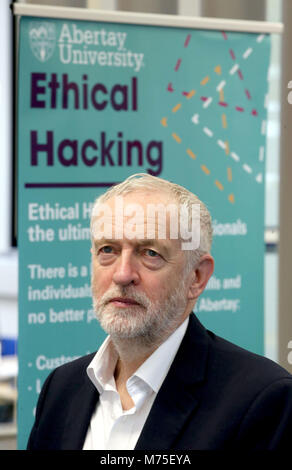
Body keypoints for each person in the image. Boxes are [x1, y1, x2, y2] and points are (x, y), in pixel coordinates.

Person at [27, 173, 292, 450]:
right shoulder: (61, 389)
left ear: (197, 277)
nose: (122, 274)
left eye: (150, 253)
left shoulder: (262, 401)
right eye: (108, 249)